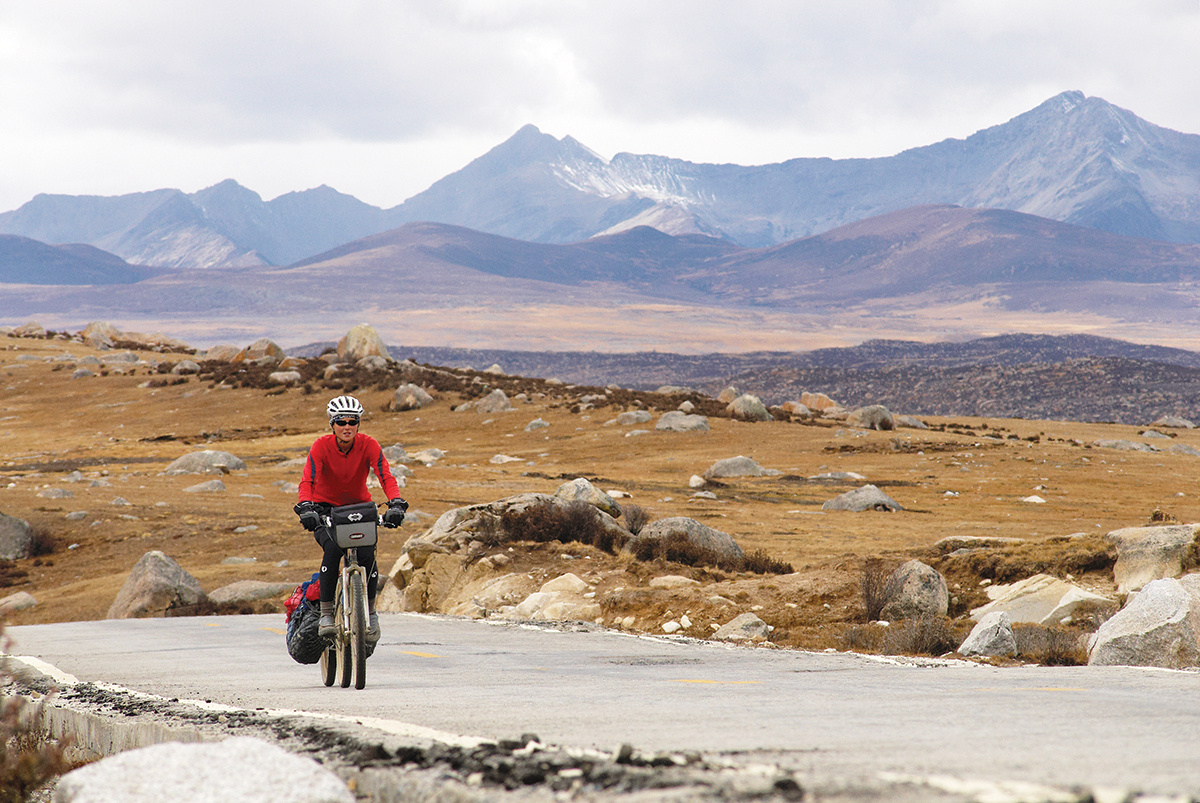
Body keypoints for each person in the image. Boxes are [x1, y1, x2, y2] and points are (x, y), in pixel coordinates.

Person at [293, 395, 407, 644]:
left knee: (368, 556)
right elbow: (307, 481)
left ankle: (370, 612)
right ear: (331, 424)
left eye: (352, 421)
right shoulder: (320, 446)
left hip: (358, 507)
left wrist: (396, 502)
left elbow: (385, 476)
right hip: (324, 509)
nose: (347, 426)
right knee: (332, 549)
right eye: (341, 421)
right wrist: (306, 508)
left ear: (358, 424)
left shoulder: (369, 445)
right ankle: (325, 614)